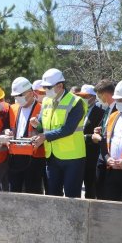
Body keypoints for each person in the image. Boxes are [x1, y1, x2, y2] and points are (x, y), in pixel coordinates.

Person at [31, 68, 87, 198]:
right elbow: (42, 127)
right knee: (52, 195)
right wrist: (36, 125)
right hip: (52, 156)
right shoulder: (46, 101)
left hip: (73, 158)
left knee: (72, 197)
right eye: (44, 87)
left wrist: (44, 136)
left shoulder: (76, 102)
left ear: (60, 86)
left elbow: (68, 129)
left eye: (48, 87)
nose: (46, 91)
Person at [8, 77, 45, 194]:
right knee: (14, 191)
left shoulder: (42, 108)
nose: (17, 98)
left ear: (30, 93)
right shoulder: (12, 108)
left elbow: (48, 132)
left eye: (19, 95)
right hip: (15, 156)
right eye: (15, 96)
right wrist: (6, 132)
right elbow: (9, 127)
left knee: (33, 192)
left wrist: (39, 128)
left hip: (35, 158)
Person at [75, 84, 104, 199]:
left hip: (91, 157)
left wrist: (84, 137)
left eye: (86, 96)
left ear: (93, 97)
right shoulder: (77, 110)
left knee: (90, 189)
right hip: (76, 155)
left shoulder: (101, 113)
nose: (83, 98)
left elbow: (98, 135)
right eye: (81, 95)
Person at [93, 79, 117, 199]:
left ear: (105, 94)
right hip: (102, 156)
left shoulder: (118, 109)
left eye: (98, 95)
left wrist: (99, 138)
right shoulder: (108, 108)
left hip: (110, 158)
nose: (98, 98)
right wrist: (99, 131)